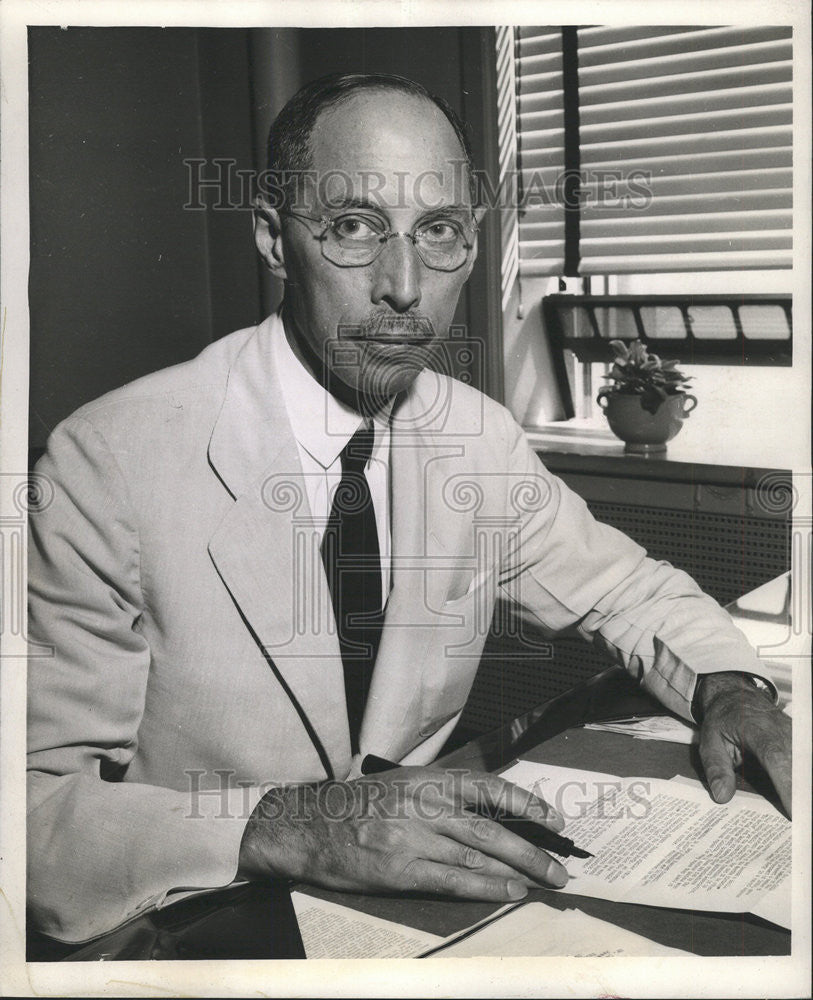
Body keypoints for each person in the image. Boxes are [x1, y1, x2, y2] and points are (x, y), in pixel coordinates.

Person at [27, 72, 792, 944]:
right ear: (275, 241)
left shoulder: (475, 437)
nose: (403, 285)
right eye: (354, 228)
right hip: (198, 923)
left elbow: (626, 592)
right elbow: (33, 815)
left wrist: (730, 689)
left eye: (438, 232)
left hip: (414, 916)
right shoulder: (107, 461)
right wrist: (288, 825)